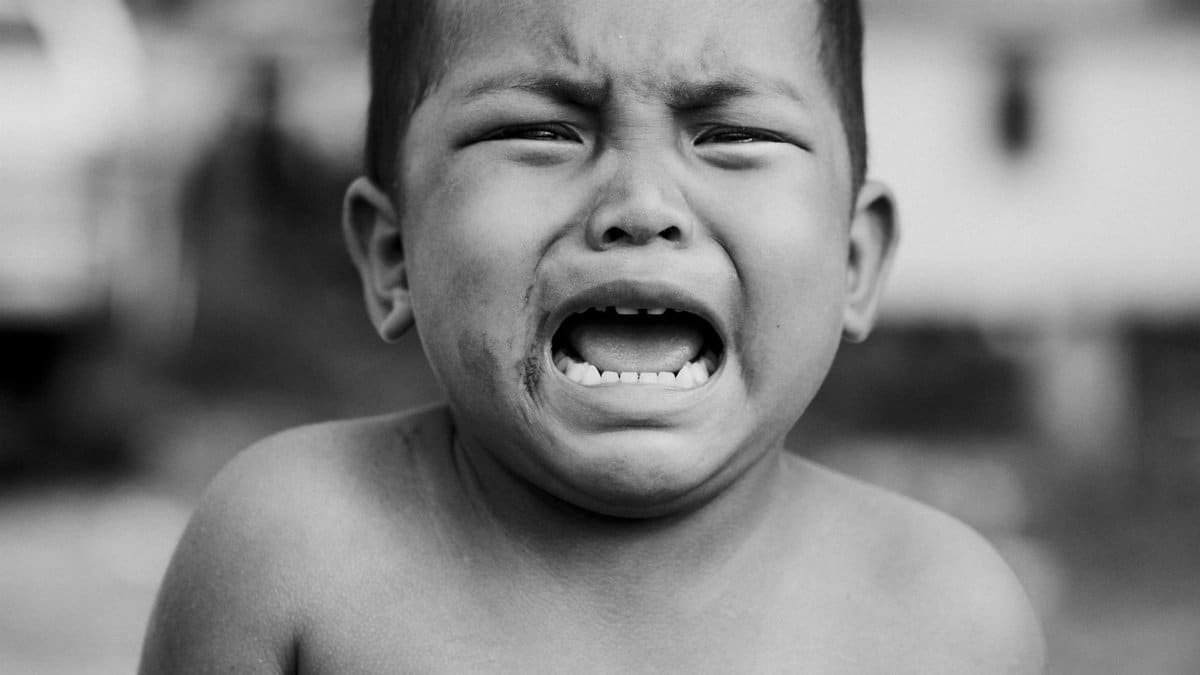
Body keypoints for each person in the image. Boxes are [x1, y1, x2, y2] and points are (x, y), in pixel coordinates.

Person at [140, 0, 1046, 671]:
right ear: (391, 254)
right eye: (541, 129)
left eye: (730, 133)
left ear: (855, 257)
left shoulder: (943, 617)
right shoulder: (292, 552)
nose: (641, 205)